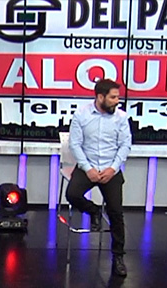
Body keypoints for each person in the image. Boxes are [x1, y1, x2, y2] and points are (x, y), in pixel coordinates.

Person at [66, 78, 132, 277]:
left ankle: (118, 257)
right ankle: (94, 211)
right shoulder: (81, 115)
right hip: (88, 166)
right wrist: (88, 169)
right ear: (100, 97)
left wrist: (113, 168)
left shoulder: (121, 118)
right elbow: (75, 144)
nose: (117, 101)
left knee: (116, 213)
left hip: (110, 169)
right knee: (72, 194)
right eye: (113, 97)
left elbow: (125, 145)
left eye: (117, 97)